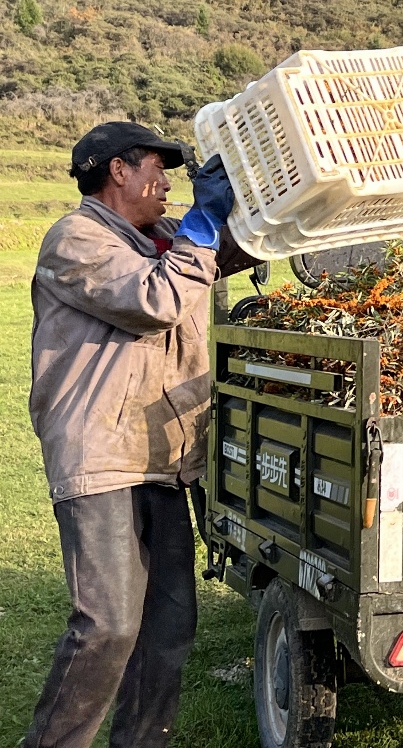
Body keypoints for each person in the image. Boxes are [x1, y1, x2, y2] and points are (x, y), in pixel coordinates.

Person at [24, 121, 255, 748]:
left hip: (161, 456)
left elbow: (217, 255)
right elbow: (154, 299)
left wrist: (264, 213)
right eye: (158, 167)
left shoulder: (160, 239)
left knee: (167, 631)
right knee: (108, 625)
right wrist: (203, 225)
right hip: (100, 455)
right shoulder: (76, 239)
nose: (168, 182)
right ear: (118, 171)